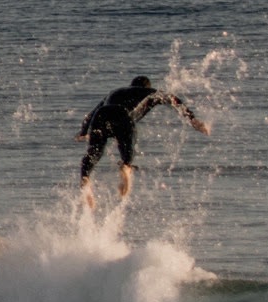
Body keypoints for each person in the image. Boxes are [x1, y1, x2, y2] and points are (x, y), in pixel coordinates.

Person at [76, 73, 209, 207]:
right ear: (147, 87)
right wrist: (192, 119)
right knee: (128, 150)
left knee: (94, 152)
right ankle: (125, 168)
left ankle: (85, 178)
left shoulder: (115, 92)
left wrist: (83, 132)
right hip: (122, 115)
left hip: (101, 115)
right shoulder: (150, 93)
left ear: (131, 85)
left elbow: (91, 115)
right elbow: (172, 99)